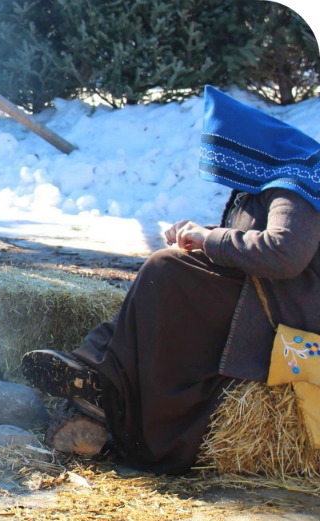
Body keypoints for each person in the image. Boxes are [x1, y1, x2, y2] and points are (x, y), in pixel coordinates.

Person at [22, 86, 320, 475]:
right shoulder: (262, 182)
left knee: (165, 271)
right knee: (168, 271)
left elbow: (284, 253)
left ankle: (103, 380)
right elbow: (248, 239)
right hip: (259, 293)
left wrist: (210, 240)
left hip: (286, 312)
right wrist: (200, 234)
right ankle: (97, 372)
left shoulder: (293, 180)